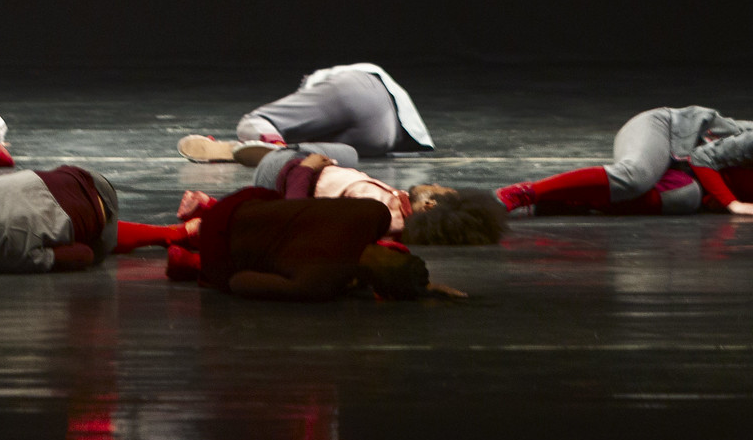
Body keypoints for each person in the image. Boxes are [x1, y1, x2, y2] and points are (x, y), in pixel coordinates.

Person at [494, 105, 753, 218]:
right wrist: (732, 203)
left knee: (684, 200)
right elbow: (702, 157)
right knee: (634, 177)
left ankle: (566, 201)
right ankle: (520, 193)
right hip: (664, 131)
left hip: (680, 171)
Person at [161, 187, 465, 302]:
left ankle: (196, 252)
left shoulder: (374, 213)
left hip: (237, 207)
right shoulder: (319, 281)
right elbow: (239, 282)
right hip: (223, 244)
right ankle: (195, 262)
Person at [174, 145, 506, 246]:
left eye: (445, 191)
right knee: (348, 153)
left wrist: (306, 167)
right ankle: (274, 145)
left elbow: (295, 211)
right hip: (311, 174)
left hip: (282, 174)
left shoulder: (375, 210)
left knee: (333, 150)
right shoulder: (400, 212)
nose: (440, 185)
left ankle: (261, 146)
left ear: (430, 205)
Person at [177, 63, 433, 163]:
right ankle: (280, 149)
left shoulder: (320, 84)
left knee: (253, 122)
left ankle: (273, 144)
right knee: (314, 153)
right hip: (385, 138)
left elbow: (315, 105)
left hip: (357, 89)